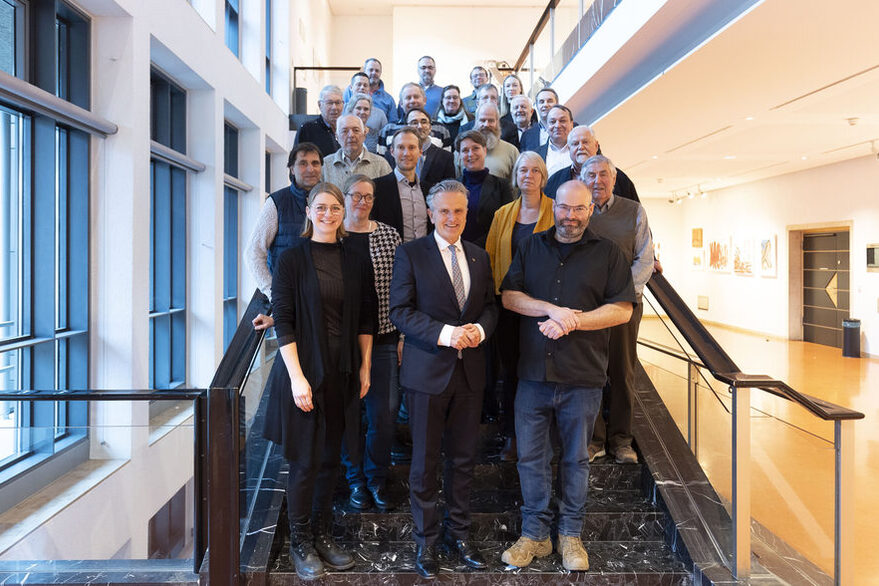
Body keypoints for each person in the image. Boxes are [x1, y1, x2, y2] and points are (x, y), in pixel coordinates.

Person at [499, 180, 635, 571]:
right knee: (531, 460)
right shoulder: (530, 246)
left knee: (575, 460)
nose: (570, 216)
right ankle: (535, 536)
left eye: (579, 209)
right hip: (533, 375)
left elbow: (622, 310)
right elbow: (510, 297)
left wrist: (572, 321)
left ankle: (570, 536)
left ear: (590, 209)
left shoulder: (608, 252)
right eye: (564, 208)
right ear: (553, 206)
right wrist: (549, 309)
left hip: (583, 377)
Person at [261, 182, 376, 581]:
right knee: (305, 463)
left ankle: (324, 535)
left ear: (344, 213)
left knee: (330, 461)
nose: (328, 214)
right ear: (308, 212)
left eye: (336, 208)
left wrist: (364, 368)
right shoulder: (291, 260)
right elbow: (285, 321)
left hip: (342, 372)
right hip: (303, 372)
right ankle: (301, 542)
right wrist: (297, 379)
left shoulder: (357, 258)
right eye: (321, 207)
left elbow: (366, 319)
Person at [389, 179, 498, 578]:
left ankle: (460, 535)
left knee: (465, 460)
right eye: (445, 211)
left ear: (467, 214)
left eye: (459, 211)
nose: (453, 218)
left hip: (470, 375)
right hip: (426, 374)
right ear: (431, 214)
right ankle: (426, 541)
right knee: (423, 463)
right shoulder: (411, 253)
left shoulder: (479, 256)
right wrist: (448, 334)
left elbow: (490, 307)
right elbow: (399, 311)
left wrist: (479, 331)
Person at [335, 174, 403, 511]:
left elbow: (405, 289)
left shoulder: (389, 236)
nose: (362, 202)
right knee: (349, 415)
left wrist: (404, 334)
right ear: (344, 197)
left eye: (368, 197)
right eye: (356, 196)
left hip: (386, 338)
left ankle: (376, 477)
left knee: (385, 414)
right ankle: (355, 480)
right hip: (342, 343)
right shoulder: (332, 236)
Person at [580, 155, 654, 464]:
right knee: (591, 372)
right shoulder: (576, 212)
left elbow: (645, 257)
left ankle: (621, 440)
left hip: (623, 307)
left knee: (622, 372)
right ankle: (594, 439)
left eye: (603, 175)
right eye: (591, 175)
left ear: (613, 179)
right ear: (583, 179)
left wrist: (622, 296)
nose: (597, 180)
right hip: (587, 310)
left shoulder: (634, 211)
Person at [484, 151, 554, 461]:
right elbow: (489, 257)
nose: (528, 175)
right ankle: (512, 436)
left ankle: (543, 437)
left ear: (543, 176)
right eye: (522, 170)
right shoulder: (502, 214)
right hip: (509, 305)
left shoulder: (556, 210)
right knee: (512, 371)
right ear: (516, 175)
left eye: (534, 170)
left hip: (545, 304)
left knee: (543, 370)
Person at [245, 143, 322, 300]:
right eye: (303, 163)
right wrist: (272, 292)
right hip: (287, 299)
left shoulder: (332, 201)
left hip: (322, 300)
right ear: (292, 169)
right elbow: (253, 252)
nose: (310, 169)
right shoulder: (277, 202)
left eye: (315, 163)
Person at [545, 124, 640, 202]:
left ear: (596, 145)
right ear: (569, 149)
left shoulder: (618, 178)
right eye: (575, 144)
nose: (581, 147)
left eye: (585, 142)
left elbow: (634, 214)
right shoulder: (554, 181)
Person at [455, 130, 513, 247]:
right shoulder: (452, 187)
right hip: (458, 250)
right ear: (460, 155)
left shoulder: (502, 186)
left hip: (489, 251)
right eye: (465, 150)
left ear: (485, 150)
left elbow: (505, 224)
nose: (471, 154)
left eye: (475, 148)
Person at [372, 128, 429, 242]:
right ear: (392, 151)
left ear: (420, 152)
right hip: (392, 256)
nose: (406, 153)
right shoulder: (377, 187)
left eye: (412, 147)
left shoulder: (430, 190)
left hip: (425, 255)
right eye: (401, 147)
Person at [322, 114, 392, 187]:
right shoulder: (325, 165)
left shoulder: (381, 165)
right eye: (345, 131)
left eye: (356, 130)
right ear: (337, 137)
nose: (351, 135)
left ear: (364, 135)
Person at [400, 107, 456, 196]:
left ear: (430, 127)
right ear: (406, 127)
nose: (420, 126)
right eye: (414, 122)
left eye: (424, 122)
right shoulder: (395, 155)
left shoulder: (446, 157)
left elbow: (449, 191)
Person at [379, 83, 450, 153]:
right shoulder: (388, 130)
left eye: (416, 97)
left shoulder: (441, 129)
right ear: (401, 103)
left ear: (424, 100)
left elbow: (447, 161)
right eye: (408, 98)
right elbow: (382, 162)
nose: (413, 101)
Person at [473, 103, 519, 182]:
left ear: (498, 122)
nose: (486, 125)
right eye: (482, 120)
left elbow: (517, 185)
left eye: (491, 121)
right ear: (476, 122)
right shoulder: (463, 151)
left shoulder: (512, 151)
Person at [295, 85, 343, 158]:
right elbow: (297, 161)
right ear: (320, 105)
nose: (334, 107)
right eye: (330, 103)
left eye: (338, 103)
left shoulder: (347, 130)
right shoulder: (308, 129)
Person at [343, 58, 396, 123]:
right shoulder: (348, 92)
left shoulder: (389, 100)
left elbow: (392, 124)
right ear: (364, 71)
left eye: (377, 71)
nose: (374, 73)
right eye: (371, 70)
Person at [345, 73, 388, 151]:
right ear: (351, 87)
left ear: (369, 88)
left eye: (365, 85)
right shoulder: (341, 111)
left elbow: (384, 140)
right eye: (359, 84)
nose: (362, 88)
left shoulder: (380, 114)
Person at [536, 104, 575, 175]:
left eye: (562, 121)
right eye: (552, 122)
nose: (557, 126)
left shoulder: (582, 150)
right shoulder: (536, 155)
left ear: (571, 124)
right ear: (547, 126)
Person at [519, 87, 559, 152]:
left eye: (550, 101)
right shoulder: (527, 135)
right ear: (537, 106)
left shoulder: (570, 128)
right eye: (541, 102)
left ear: (557, 104)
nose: (545, 105)